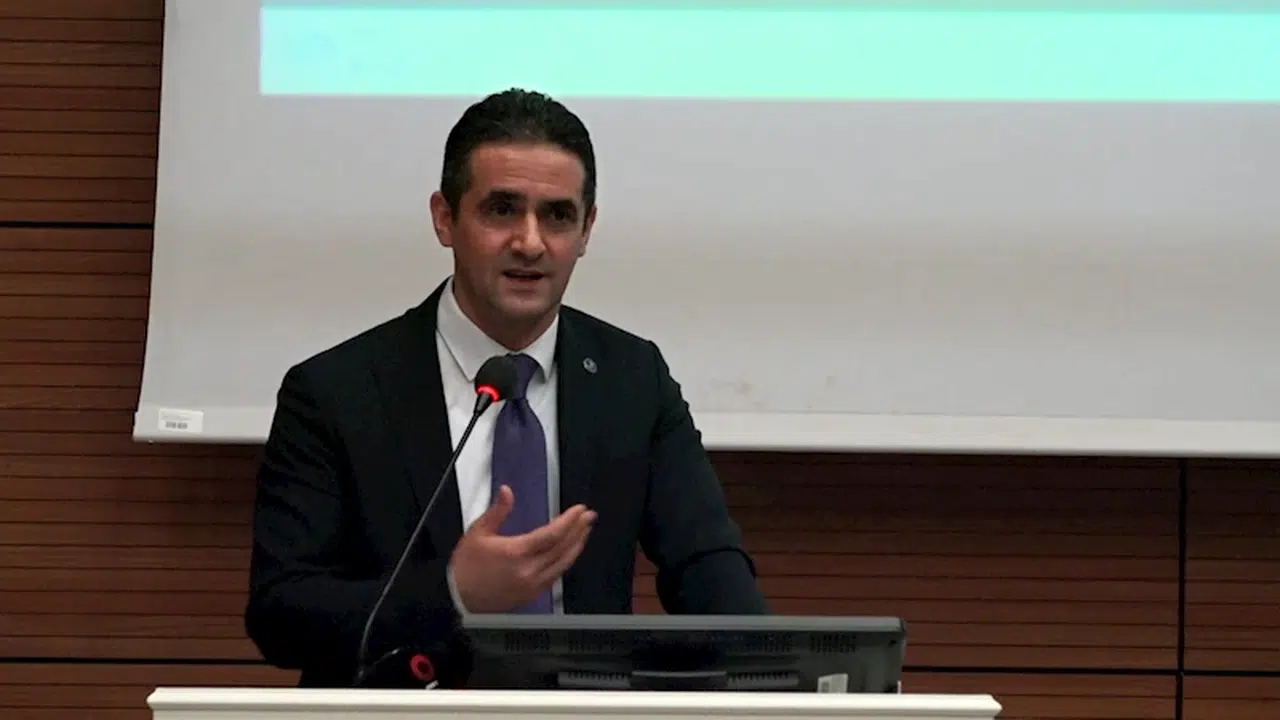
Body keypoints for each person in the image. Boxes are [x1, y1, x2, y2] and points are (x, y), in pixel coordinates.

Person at [244, 88, 768, 687]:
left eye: (558, 215)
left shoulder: (632, 378)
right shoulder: (335, 391)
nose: (530, 242)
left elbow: (706, 565)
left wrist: (776, 669)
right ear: (445, 218)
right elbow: (281, 614)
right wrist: (451, 593)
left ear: (587, 229)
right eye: (501, 210)